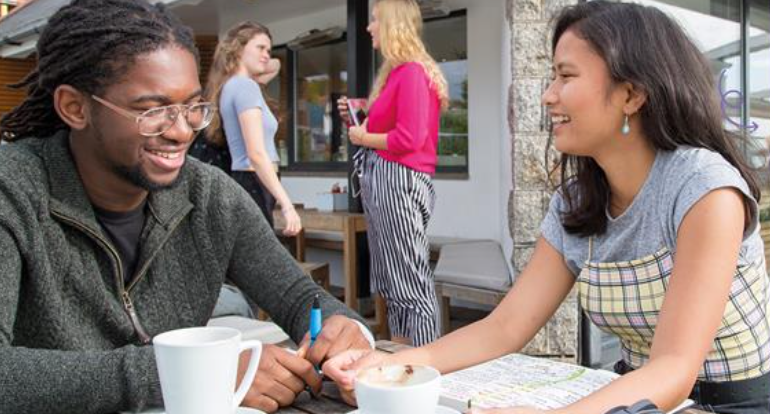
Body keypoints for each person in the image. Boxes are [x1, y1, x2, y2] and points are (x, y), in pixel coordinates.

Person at [325, 2, 770, 413]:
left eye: (567, 76)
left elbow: (675, 367)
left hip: (726, 404)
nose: (548, 95)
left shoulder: (705, 189)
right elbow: (506, 327)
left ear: (632, 94)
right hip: (630, 397)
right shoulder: (576, 200)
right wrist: (397, 365)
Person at [0, 1, 372, 413]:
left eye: (193, 107)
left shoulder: (209, 195)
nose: (181, 132)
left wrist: (348, 334)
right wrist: (192, 373)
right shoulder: (13, 192)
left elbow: (300, 297)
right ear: (75, 107)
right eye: (153, 111)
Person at [337, 0, 448, 346]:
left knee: (409, 280)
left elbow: (409, 138)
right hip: (388, 178)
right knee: (393, 277)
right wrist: (358, 115)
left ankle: (430, 362)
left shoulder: (412, 72)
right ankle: (403, 351)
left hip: (398, 180)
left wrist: (362, 137)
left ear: (391, 24)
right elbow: (390, 128)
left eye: (374, 20)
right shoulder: (398, 73)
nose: (368, 27)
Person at [204, 21, 300, 234]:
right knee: (260, 258)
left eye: (269, 49)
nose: (267, 55)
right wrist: (287, 204)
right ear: (239, 48)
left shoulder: (232, 84)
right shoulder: (246, 87)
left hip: (249, 180)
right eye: (260, 48)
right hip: (254, 180)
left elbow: (275, 65)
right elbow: (256, 153)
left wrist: (253, 60)